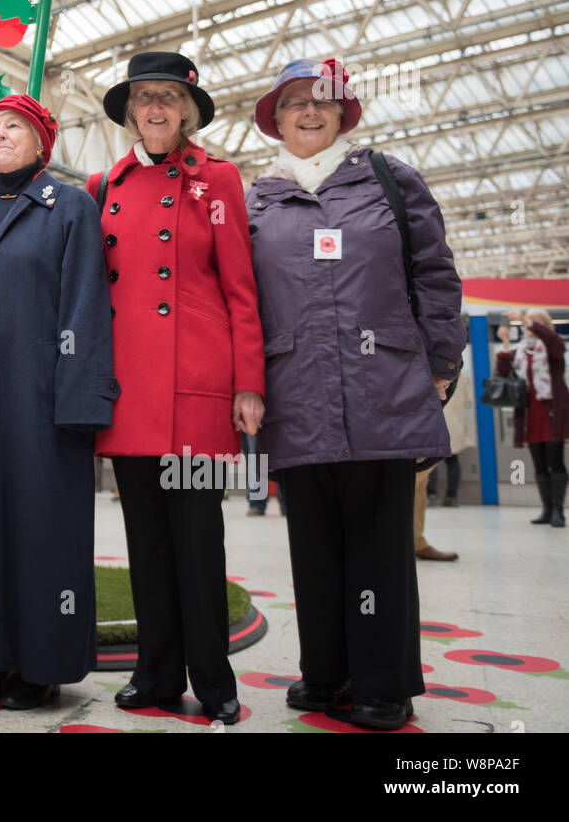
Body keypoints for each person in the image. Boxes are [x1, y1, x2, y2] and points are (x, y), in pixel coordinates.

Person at [247, 57, 464, 731]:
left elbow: (434, 270)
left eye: (322, 101)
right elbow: (241, 299)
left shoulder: (388, 179)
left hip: (385, 384)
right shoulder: (259, 197)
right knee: (313, 540)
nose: (308, 112)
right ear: (275, 119)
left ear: (343, 112)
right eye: (293, 104)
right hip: (297, 389)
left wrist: (440, 357)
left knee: (376, 538)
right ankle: (327, 672)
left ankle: (382, 681)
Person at [87, 52, 264, 726]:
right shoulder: (106, 183)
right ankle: (154, 671)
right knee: (146, 542)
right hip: (129, 395)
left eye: (168, 97)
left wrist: (249, 381)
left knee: (197, 540)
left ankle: (213, 676)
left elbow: (240, 287)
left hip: (194, 392)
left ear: (187, 110)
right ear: (131, 110)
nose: (156, 107)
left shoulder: (217, 179)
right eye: (145, 97)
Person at [0, 95, 118, 710]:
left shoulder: (70, 206)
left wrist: (79, 403)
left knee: (43, 533)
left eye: (13, 127)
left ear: (42, 141)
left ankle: (40, 665)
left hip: (47, 399)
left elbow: (87, 306)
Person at [496, 309, 566, 527]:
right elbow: (502, 373)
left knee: (556, 463)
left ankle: (558, 511)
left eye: (537, 323)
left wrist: (527, 320)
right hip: (529, 415)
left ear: (545, 326)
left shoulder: (553, 347)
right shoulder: (519, 351)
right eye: (529, 323)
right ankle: (546, 509)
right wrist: (506, 342)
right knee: (539, 465)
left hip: (552, 413)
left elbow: (554, 341)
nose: (531, 326)